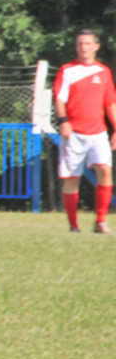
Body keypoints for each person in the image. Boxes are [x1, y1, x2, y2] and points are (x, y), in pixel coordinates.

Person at [53, 29, 116, 233]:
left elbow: (110, 102)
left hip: (98, 133)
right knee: (72, 178)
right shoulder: (67, 70)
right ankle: (74, 226)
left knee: (105, 171)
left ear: (96, 46)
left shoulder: (104, 72)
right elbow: (59, 99)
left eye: (88, 43)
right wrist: (64, 121)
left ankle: (100, 221)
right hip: (75, 134)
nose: (84, 47)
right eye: (80, 44)